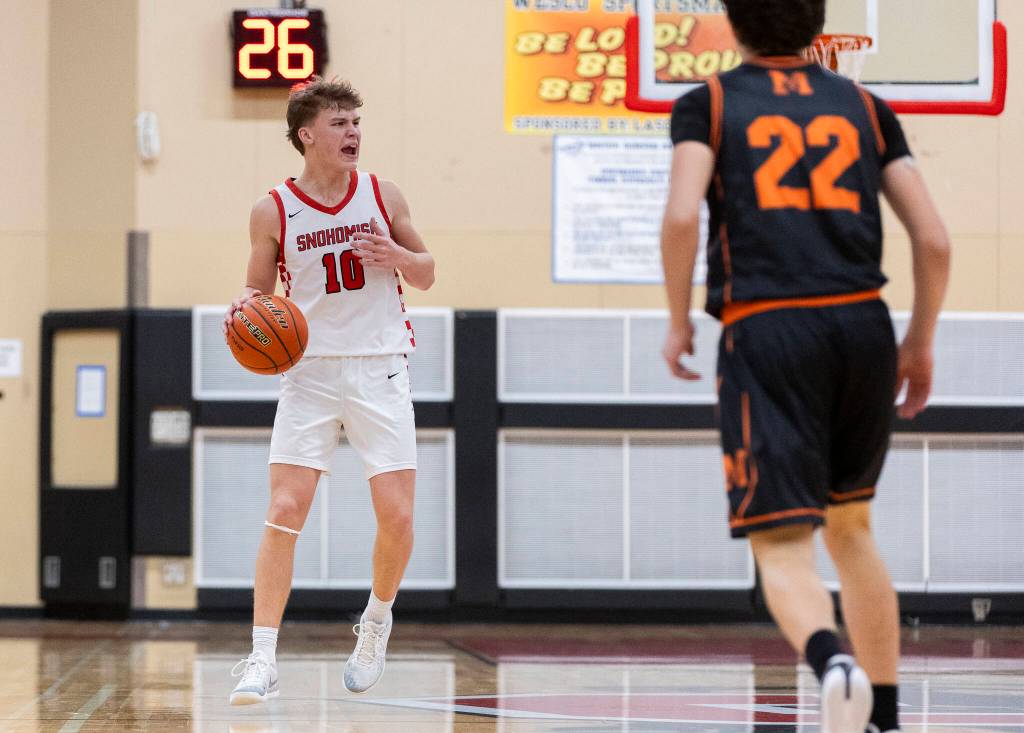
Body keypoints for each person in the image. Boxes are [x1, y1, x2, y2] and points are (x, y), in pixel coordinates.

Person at [659, 1, 950, 731]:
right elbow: (935, 239)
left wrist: (675, 318)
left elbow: (682, 215)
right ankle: (882, 712)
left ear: (733, 23)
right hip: (864, 324)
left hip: (769, 326)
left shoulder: (710, 103)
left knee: (781, 538)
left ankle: (832, 663)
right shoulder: (865, 105)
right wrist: (919, 340)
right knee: (852, 525)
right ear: (821, 26)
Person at [221, 77, 435, 704]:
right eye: (341, 123)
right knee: (285, 510)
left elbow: (427, 273)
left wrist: (395, 252)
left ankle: (375, 621)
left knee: (397, 516)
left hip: (380, 367)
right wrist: (243, 310)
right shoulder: (273, 210)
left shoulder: (381, 193)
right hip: (310, 373)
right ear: (306, 134)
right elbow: (258, 292)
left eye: (357, 122)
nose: (354, 133)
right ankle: (262, 656)